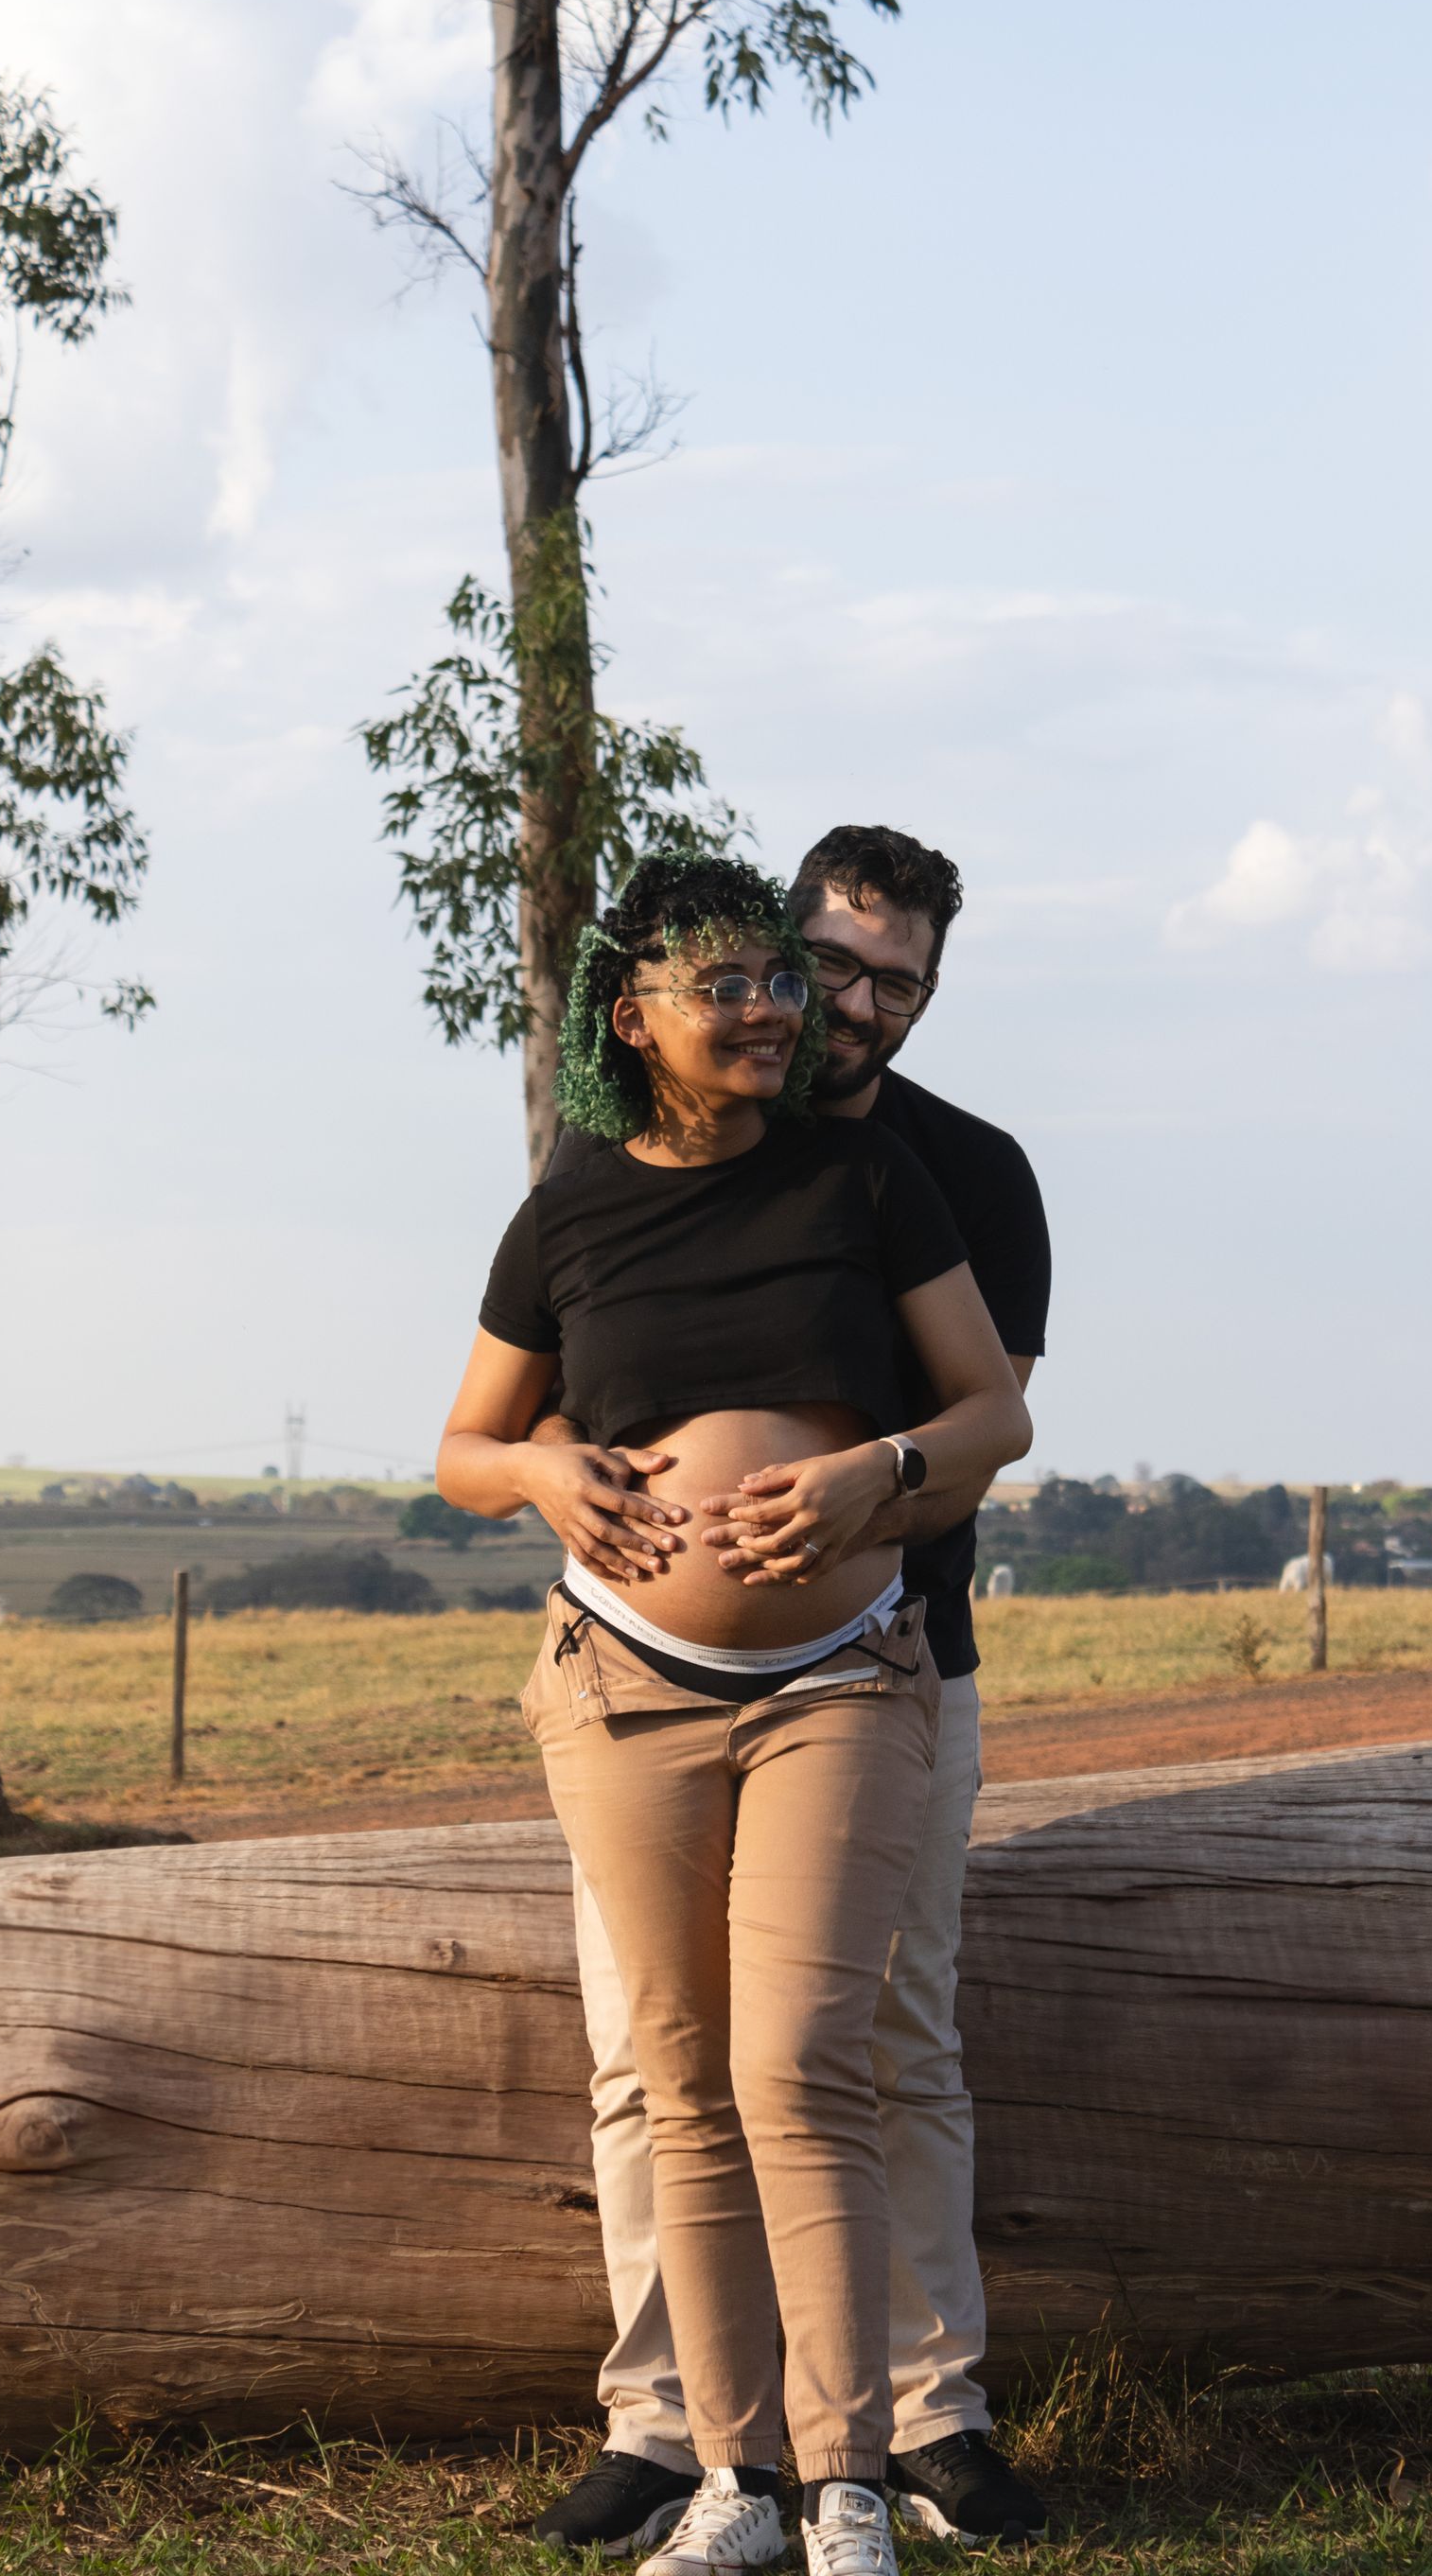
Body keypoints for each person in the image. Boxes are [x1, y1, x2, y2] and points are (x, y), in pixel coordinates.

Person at [438, 850, 1033, 2576]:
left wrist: (869, 1479)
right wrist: (547, 1471)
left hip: (867, 1668)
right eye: (793, 969)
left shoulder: (915, 1173)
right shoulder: (575, 1197)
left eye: (880, 984)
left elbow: (987, 1420)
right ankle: (697, 2452)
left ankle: (901, 2440)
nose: (822, 1006)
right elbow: (483, 1436)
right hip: (629, 1682)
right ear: (639, 1012)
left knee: (844, 2056)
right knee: (665, 2068)